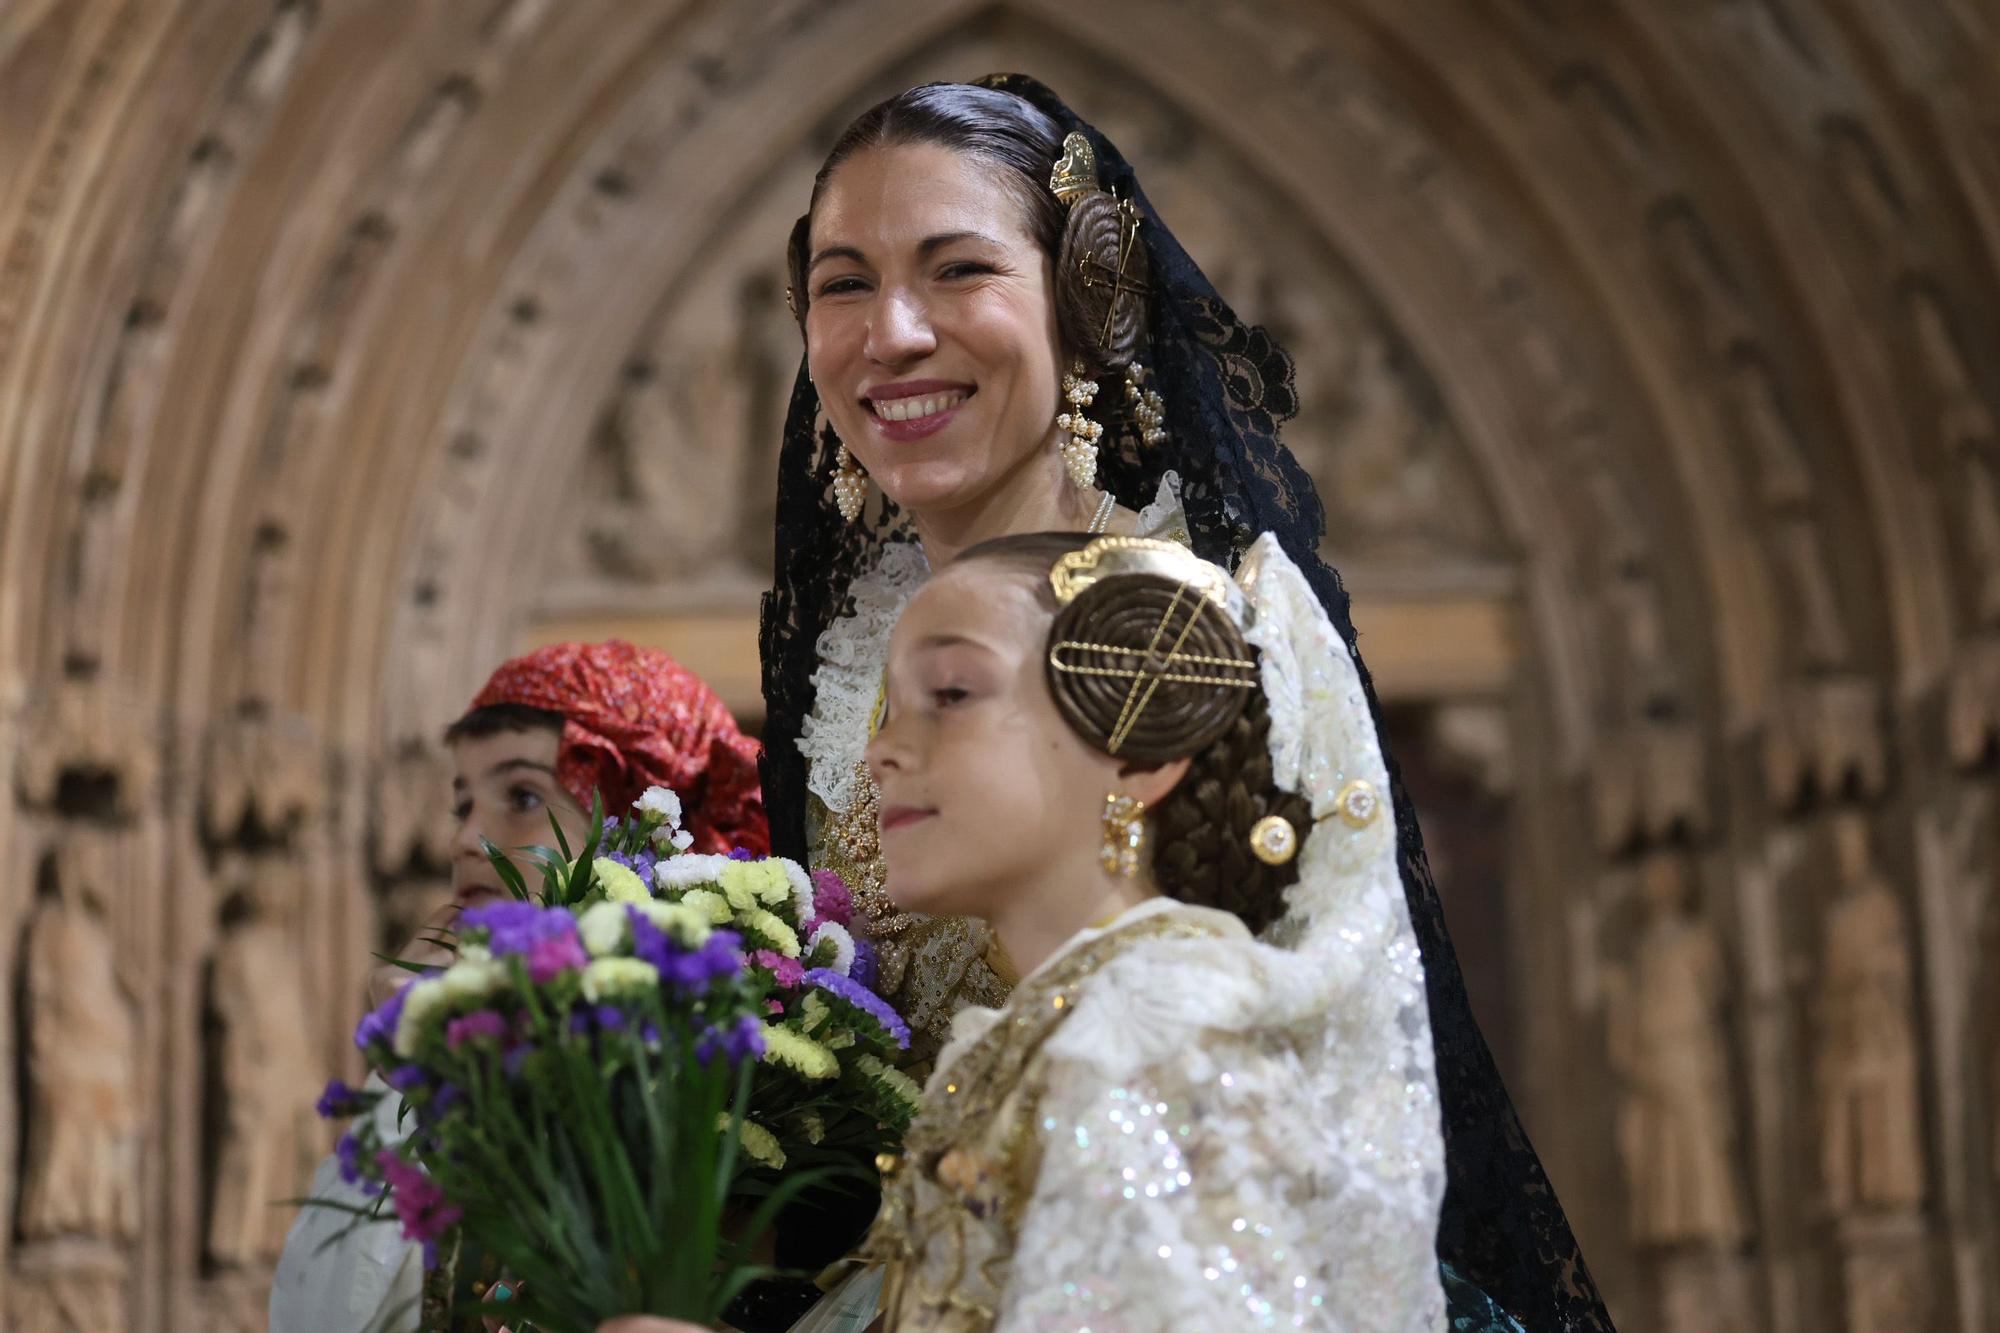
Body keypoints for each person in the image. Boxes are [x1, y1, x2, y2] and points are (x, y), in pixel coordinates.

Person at [758, 77, 1609, 1328]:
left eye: (956, 271)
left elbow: (1332, 1024)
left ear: (1086, 295)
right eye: (843, 282)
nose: (890, 333)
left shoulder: (1223, 622)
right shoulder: (850, 668)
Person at [271, 640, 768, 1333]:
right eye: (463, 803)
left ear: (641, 826)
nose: (465, 839)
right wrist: (425, 1070)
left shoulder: (726, 1083)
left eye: (522, 797)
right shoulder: (457, 1048)